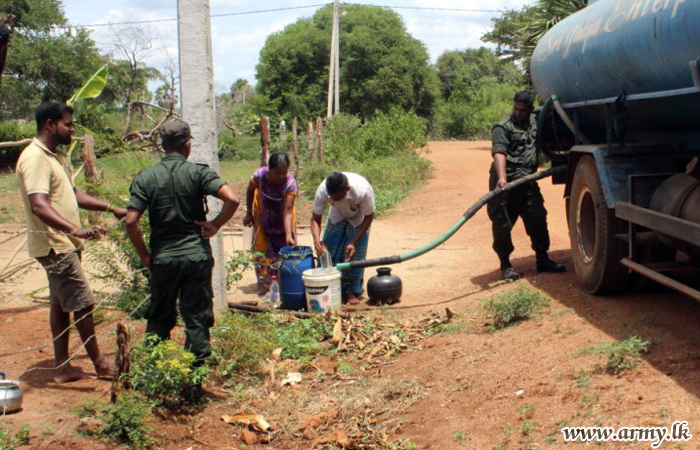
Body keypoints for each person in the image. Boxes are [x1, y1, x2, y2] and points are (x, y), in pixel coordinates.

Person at [16, 102, 127, 383]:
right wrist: (75, 229)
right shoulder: (35, 158)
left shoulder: (56, 156)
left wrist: (110, 207)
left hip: (65, 243)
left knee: (60, 305)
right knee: (82, 304)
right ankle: (101, 364)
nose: (72, 130)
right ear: (50, 125)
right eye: (68, 124)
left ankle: (62, 366)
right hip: (56, 245)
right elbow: (39, 205)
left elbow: (74, 194)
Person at [125, 119, 240, 368]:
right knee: (196, 318)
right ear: (187, 144)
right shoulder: (198, 173)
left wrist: (145, 256)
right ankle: (194, 381)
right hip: (196, 257)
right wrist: (215, 224)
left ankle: (155, 373)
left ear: (163, 146)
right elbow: (232, 198)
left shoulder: (147, 178)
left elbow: (131, 221)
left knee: (159, 317)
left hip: (163, 258)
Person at [487, 90, 565, 281]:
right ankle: (505, 264)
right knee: (502, 224)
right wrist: (502, 179)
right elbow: (499, 153)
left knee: (538, 217)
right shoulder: (502, 127)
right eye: (516, 108)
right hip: (506, 183)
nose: (518, 113)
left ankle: (542, 259)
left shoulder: (534, 122)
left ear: (530, 110)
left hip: (528, 183)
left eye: (523, 110)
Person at [310, 172, 375, 305]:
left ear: (347, 189)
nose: (336, 199)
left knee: (354, 256)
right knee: (328, 252)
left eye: (339, 197)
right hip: (337, 214)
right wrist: (317, 240)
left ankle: (351, 291)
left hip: (359, 217)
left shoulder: (362, 191)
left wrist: (353, 242)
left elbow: (369, 217)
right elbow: (315, 218)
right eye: (333, 198)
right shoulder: (323, 190)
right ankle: (328, 286)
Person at [242, 153, 298, 293]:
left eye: (284, 172)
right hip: (263, 216)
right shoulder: (259, 176)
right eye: (277, 172)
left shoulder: (290, 183)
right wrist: (249, 213)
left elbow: (288, 211)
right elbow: (249, 191)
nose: (281, 176)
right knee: (260, 251)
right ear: (269, 169)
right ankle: (261, 284)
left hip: (284, 219)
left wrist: (288, 234)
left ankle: (279, 283)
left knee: (284, 251)